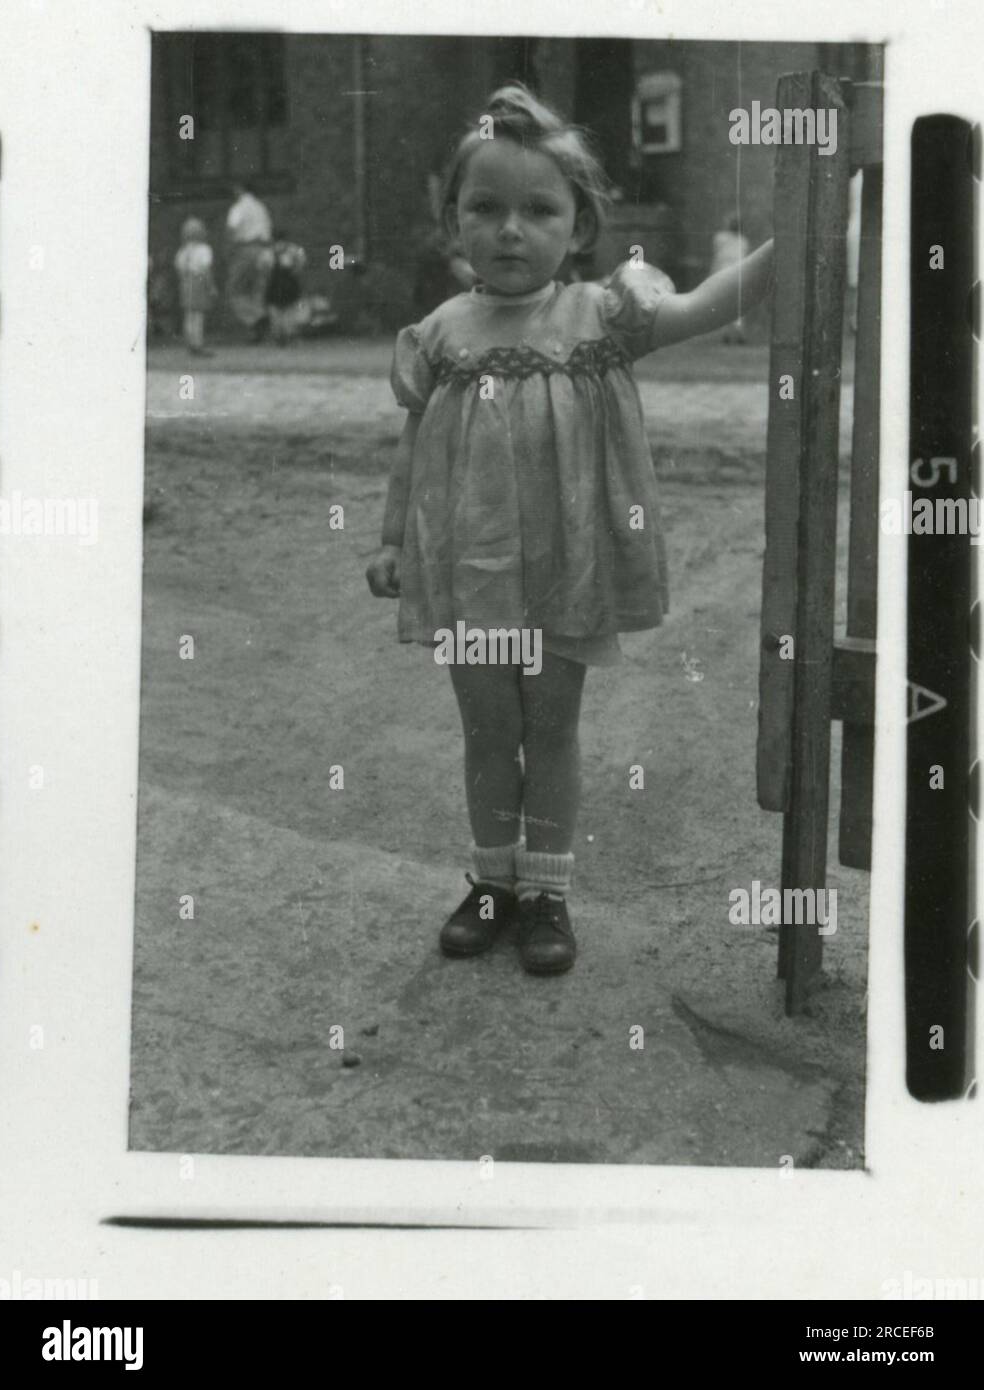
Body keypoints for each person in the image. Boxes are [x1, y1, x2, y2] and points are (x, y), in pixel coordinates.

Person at [366, 84, 773, 975]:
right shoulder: (439, 335)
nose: (511, 230)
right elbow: (413, 445)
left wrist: (797, 237)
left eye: (538, 210)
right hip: (472, 572)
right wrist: (394, 538)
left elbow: (707, 305)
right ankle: (490, 884)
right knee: (484, 730)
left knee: (549, 726)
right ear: (453, 222)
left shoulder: (599, 316)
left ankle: (547, 890)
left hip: (567, 569)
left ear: (579, 227)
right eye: (486, 208)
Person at [225, 181, 273, 340]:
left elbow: (232, 228)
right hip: (263, 249)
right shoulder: (261, 208)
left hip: (245, 249)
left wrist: (229, 249)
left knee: (235, 289)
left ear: (240, 189)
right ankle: (257, 329)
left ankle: (256, 318)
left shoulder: (239, 207)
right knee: (257, 289)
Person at [173, 217, 216, 356]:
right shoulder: (204, 249)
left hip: (185, 281)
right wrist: (211, 286)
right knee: (198, 314)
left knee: (189, 314)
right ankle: (198, 344)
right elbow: (205, 269)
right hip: (199, 280)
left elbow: (179, 269)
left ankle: (190, 342)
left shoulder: (182, 251)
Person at [709, 212, 752, 344]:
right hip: (737, 273)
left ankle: (729, 334)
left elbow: (717, 257)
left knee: (725, 303)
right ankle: (737, 334)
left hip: (725, 272)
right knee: (737, 305)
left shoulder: (720, 238)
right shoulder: (743, 240)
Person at [265, 230, 307, 344]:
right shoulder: (295, 249)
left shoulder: (269, 252)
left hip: (276, 282)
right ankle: (288, 334)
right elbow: (301, 262)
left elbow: (264, 267)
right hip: (288, 281)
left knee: (277, 309)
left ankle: (280, 334)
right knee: (289, 309)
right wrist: (295, 272)